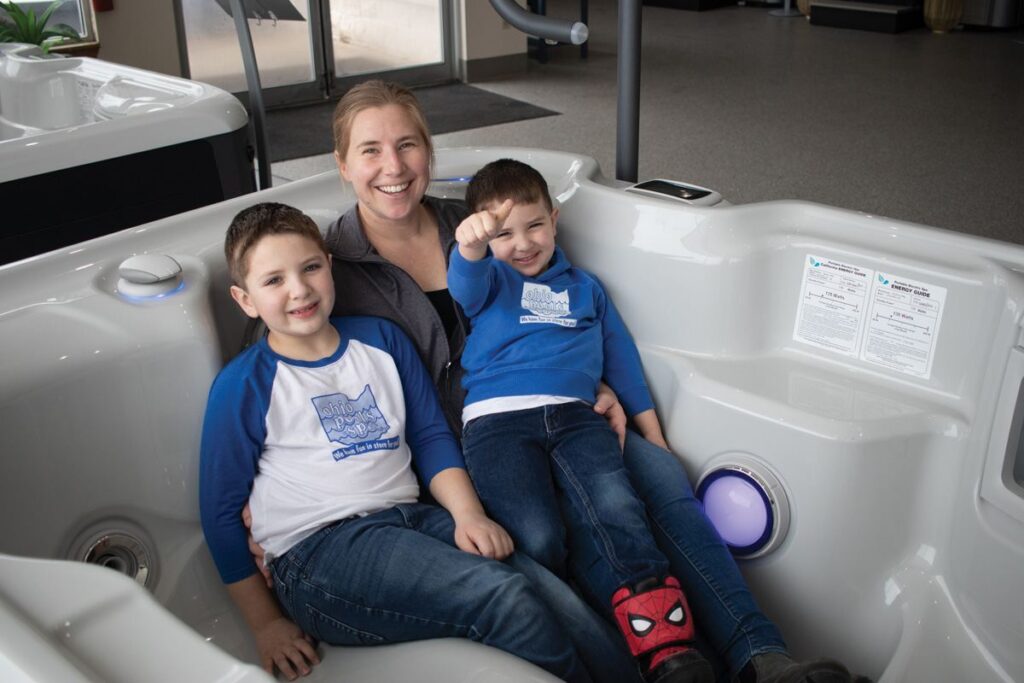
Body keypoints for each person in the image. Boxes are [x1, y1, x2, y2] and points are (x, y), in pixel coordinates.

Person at [320, 79, 860, 683]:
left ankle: (761, 656)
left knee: (658, 475)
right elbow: (294, 375)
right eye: (370, 150)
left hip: (565, 413)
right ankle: (666, 664)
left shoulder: (479, 219)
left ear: (429, 150)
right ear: (342, 164)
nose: (393, 167)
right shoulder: (327, 267)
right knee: (554, 540)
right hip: (456, 455)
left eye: (407, 145)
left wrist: (590, 383)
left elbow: (560, 310)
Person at [200, 202, 612, 683]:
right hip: (321, 552)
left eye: (310, 268)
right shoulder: (243, 384)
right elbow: (219, 512)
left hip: (413, 519)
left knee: (555, 595)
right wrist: (265, 623)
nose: (299, 289)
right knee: (504, 596)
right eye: (274, 280)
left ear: (329, 266)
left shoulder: (382, 340)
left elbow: (430, 436)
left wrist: (468, 515)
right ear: (245, 299)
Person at [448, 158, 713, 683]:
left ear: (554, 218)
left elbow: (623, 363)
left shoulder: (586, 288)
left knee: (618, 508)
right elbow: (463, 283)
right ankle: (583, 626)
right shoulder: (491, 279)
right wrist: (472, 246)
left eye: (534, 226)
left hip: (577, 417)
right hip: (498, 421)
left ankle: (667, 648)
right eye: (504, 234)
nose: (523, 244)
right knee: (537, 535)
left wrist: (654, 436)